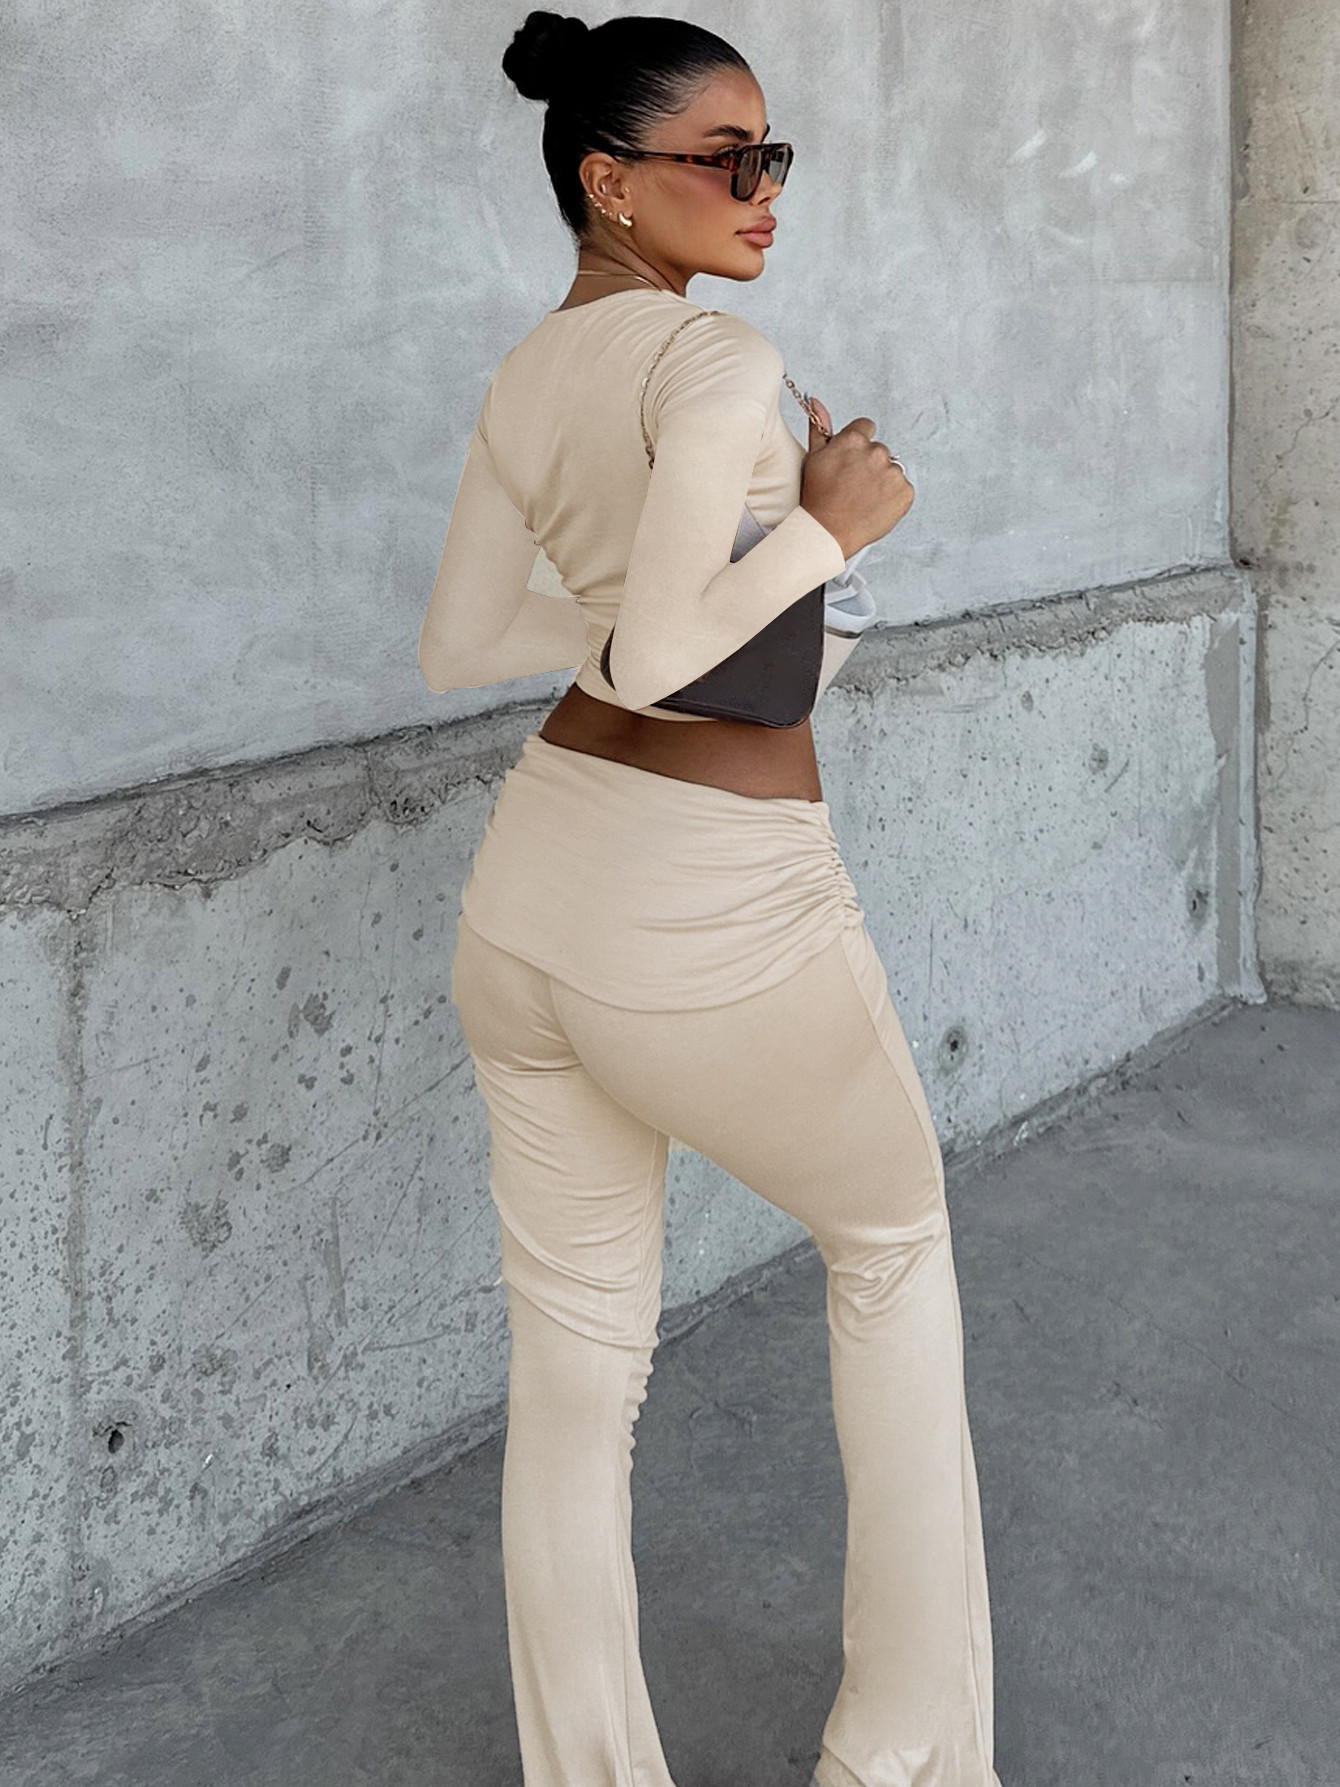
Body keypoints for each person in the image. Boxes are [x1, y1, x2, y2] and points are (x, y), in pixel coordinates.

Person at [418, 12, 1004, 1786]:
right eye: (724, 158)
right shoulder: (715, 358)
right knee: (891, 1248)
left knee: (575, 1373)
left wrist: (644, 617)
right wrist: (835, 525)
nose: (764, 190)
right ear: (612, 182)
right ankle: (897, 1755)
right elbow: (681, 654)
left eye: (774, 157)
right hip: (711, 911)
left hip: (531, 905)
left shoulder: (529, 374)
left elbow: (464, 639)